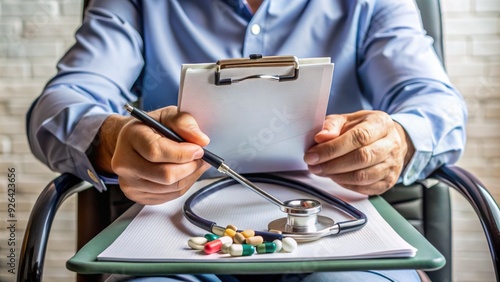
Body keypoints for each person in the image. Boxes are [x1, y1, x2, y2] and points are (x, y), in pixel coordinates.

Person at [26, 0, 466, 281]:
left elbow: (438, 106)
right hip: (175, 242)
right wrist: (111, 140)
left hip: (341, 237)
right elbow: (58, 105)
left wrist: (400, 140)